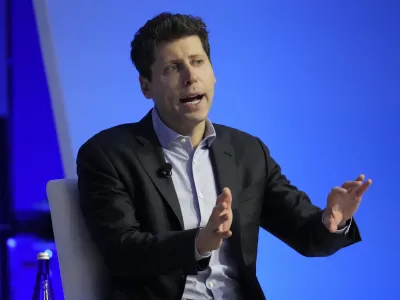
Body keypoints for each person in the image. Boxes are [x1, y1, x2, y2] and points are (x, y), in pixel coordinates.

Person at [76, 12, 372, 300]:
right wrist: (198, 243)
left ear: (213, 73)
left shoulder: (247, 151)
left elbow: (305, 235)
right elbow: (122, 251)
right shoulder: (109, 154)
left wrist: (332, 221)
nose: (190, 77)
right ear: (145, 86)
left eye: (197, 62)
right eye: (172, 68)